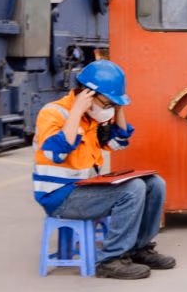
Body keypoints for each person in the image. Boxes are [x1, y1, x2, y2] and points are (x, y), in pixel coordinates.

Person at [32, 59, 172, 280]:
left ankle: (139, 248)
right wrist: (77, 111)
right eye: (107, 103)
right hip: (60, 197)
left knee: (155, 183)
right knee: (133, 189)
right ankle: (110, 260)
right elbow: (55, 154)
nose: (107, 109)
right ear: (87, 93)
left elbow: (119, 142)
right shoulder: (53, 113)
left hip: (85, 189)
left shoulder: (93, 119)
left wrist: (118, 108)